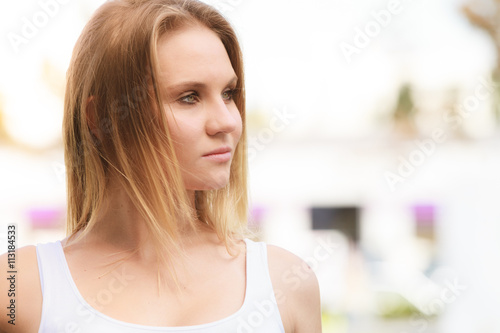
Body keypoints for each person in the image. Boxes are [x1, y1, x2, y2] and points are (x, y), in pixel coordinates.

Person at [0, 0, 322, 332]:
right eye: (189, 97)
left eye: (228, 93)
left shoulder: (287, 284)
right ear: (101, 118)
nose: (227, 122)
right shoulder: (17, 288)